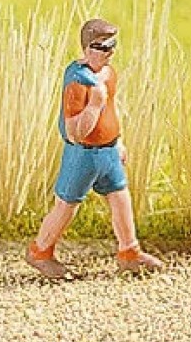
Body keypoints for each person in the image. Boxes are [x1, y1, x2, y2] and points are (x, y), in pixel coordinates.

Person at [25, 18, 164, 279]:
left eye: (113, 45)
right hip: (83, 155)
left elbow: (112, 108)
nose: (110, 52)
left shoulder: (108, 74)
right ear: (88, 49)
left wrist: (118, 140)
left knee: (120, 197)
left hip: (109, 151)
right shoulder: (78, 80)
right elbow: (76, 131)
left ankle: (129, 252)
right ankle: (40, 251)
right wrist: (94, 103)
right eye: (104, 47)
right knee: (67, 204)